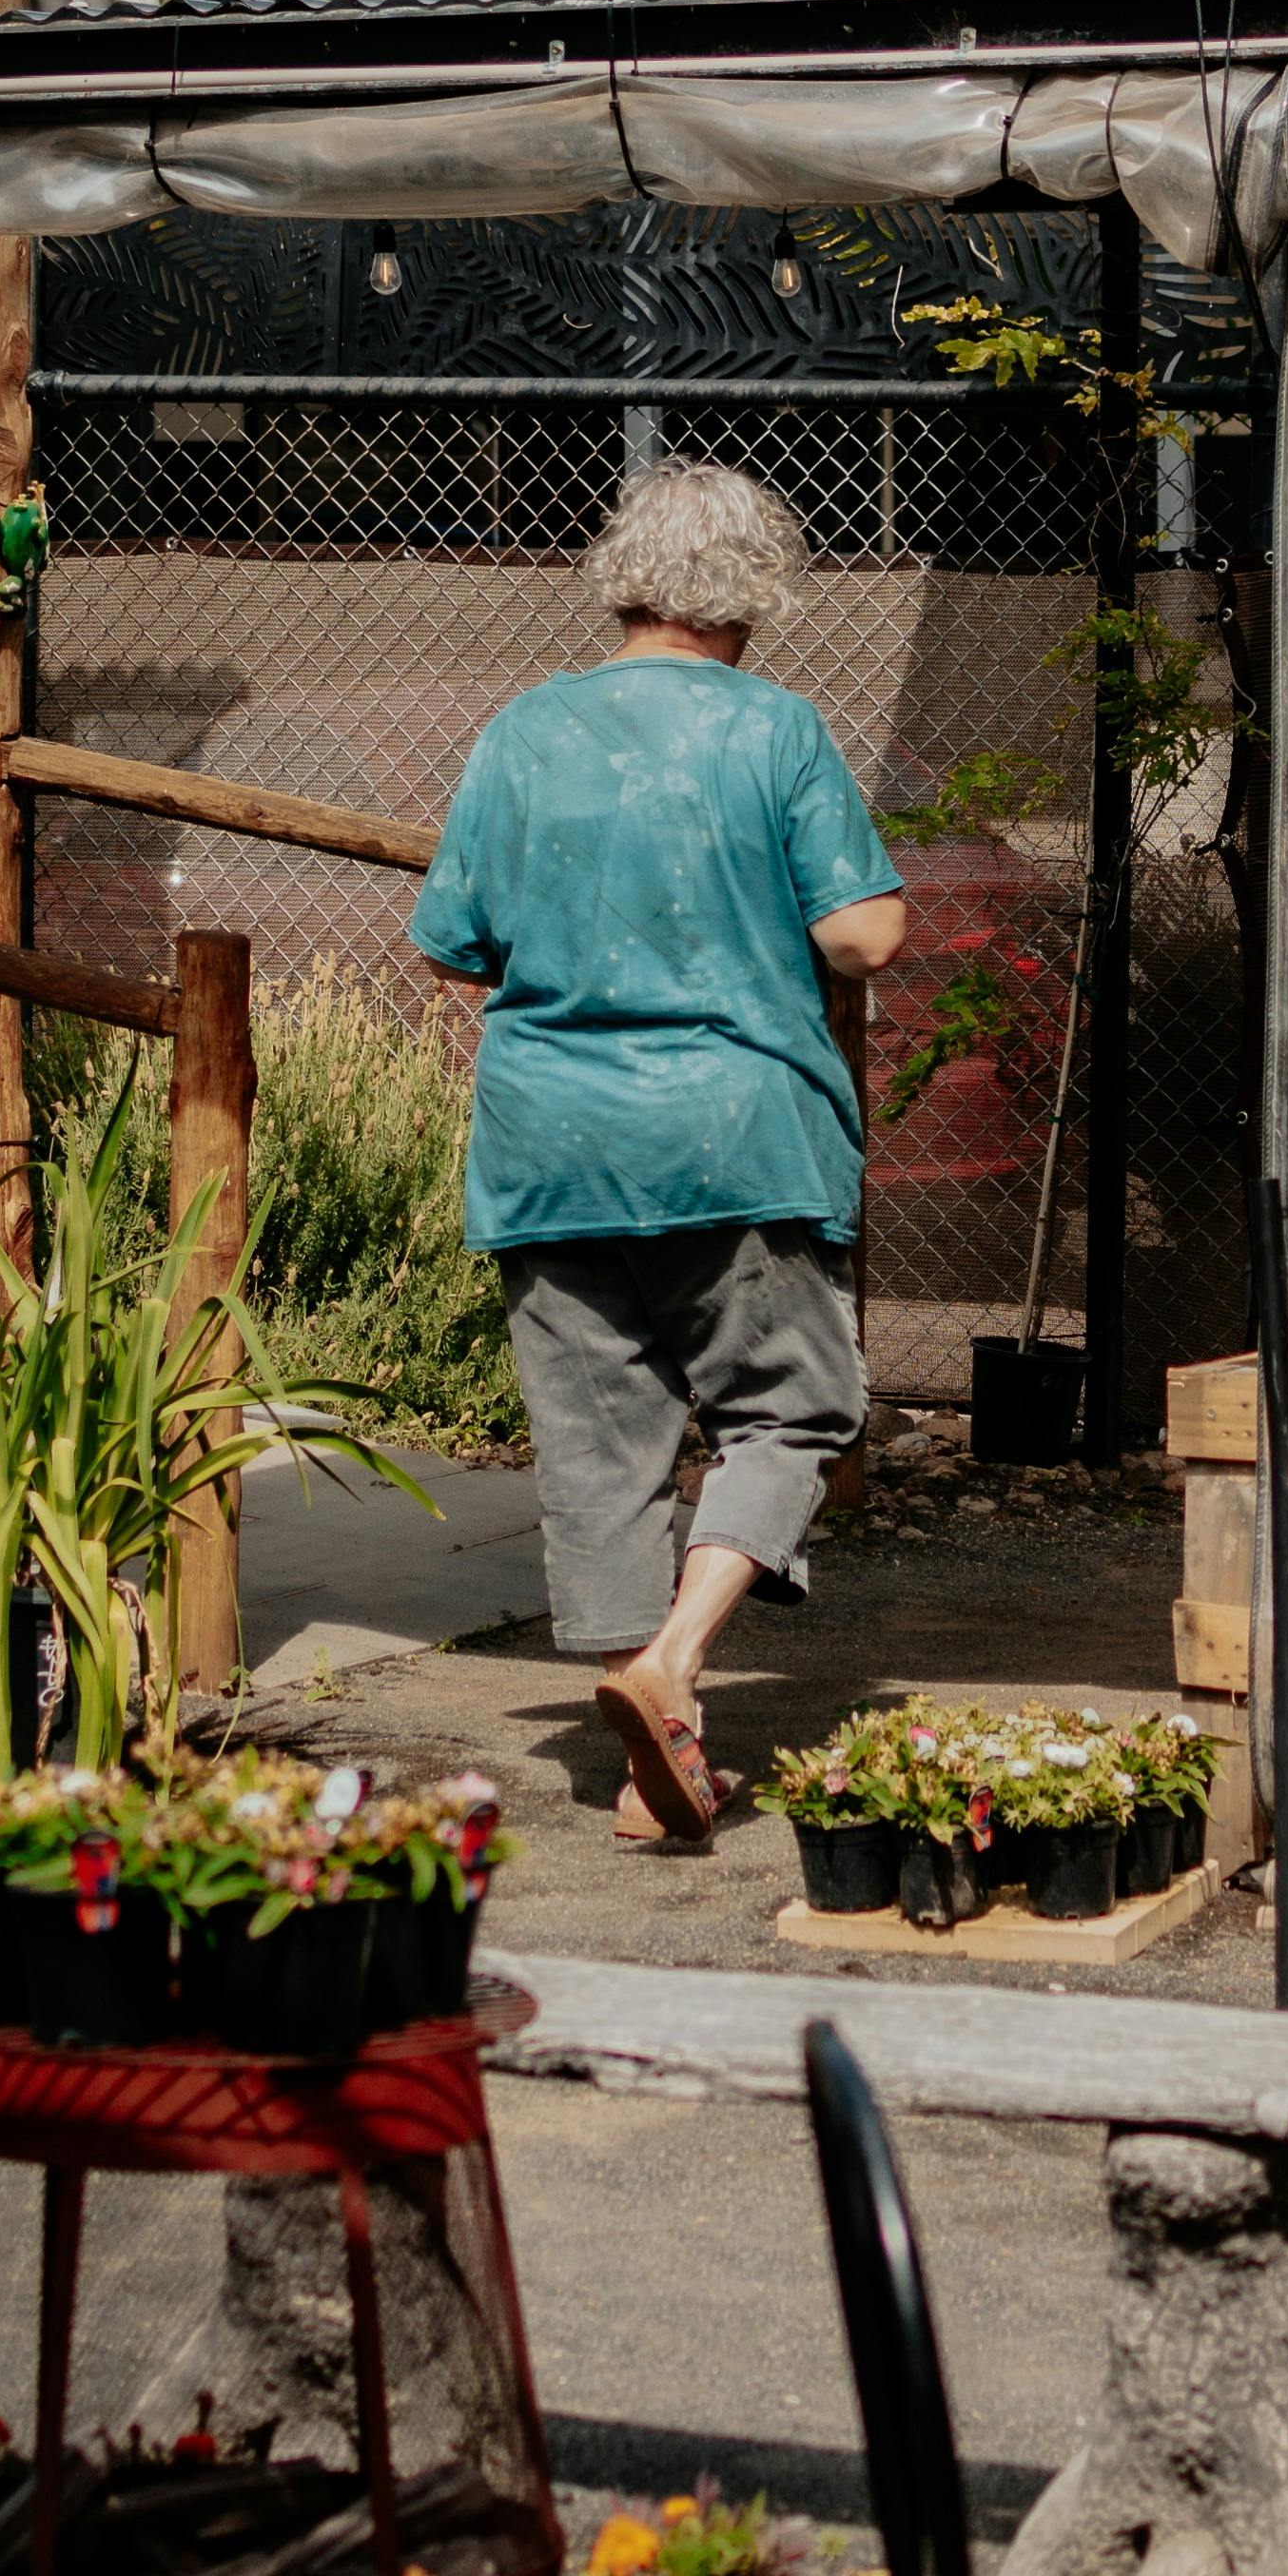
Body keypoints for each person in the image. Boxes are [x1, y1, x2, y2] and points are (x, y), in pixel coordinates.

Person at [408, 460, 907, 1844]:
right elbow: (867, 936)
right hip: (734, 1136)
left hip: (551, 1146)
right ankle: (673, 1664)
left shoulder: (522, 730)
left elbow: (453, 944)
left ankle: (649, 1767)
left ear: (625, 575)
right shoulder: (778, 731)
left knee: (599, 1451)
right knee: (791, 1412)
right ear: (754, 595)